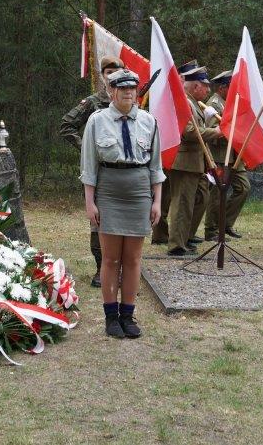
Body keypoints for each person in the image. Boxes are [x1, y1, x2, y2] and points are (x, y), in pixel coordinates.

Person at [80, 68, 163, 338]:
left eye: (132, 89)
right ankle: (111, 317)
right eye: (122, 88)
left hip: (139, 193)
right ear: (111, 91)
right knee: (111, 258)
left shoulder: (149, 121)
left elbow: (156, 167)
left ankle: (128, 314)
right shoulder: (97, 120)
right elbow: (89, 165)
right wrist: (90, 202)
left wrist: (157, 201)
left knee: (134, 258)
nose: (128, 93)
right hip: (109, 192)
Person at [61, 55, 125, 288]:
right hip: (97, 170)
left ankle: (119, 266)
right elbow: (66, 126)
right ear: (102, 75)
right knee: (97, 220)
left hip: (123, 172)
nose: (112, 76)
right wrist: (86, 147)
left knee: (120, 218)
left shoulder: (128, 102)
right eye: (108, 72)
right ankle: (101, 269)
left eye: (117, 72)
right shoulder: (91, 103)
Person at [164, 62, 221, 257]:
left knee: (200, 199)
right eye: (205, 86)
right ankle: (177, 245)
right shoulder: (185, 103)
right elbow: (188, 132)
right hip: (185, 162)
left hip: (196, 162)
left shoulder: (194, 103)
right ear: (196, 86)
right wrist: (217, 132)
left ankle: (186, 237)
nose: (207, 90)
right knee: (183, 204)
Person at [199, 69, 251, 241]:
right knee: (216, 194)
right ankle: (212, 230)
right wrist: (232, 133)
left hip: (235, 156)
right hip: (220, 156)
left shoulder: (230, 102)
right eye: (231, 87)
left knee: (243, 188)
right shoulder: (213, 105)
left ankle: (225, 224)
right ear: (222, 88)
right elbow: (213, 134)